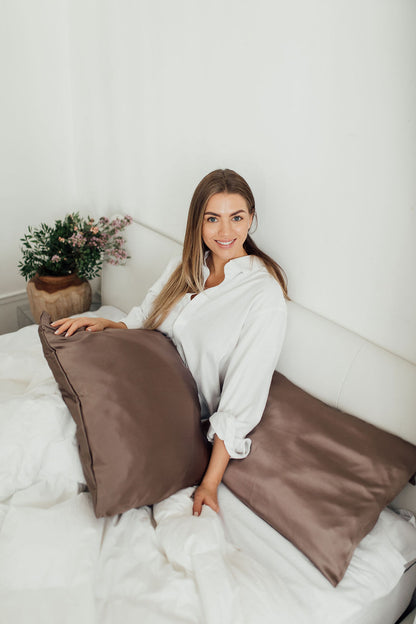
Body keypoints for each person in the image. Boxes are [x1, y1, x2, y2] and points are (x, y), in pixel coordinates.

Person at [51, 168, 289, 517]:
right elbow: (144, 317)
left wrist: (210, 483)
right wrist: (104, 322)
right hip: (137, 373)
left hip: (174, 409)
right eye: (213, 219)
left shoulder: (263, 295)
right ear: (198, 222)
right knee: (54, 410)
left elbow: (242, 399)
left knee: (66, 446)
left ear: (251, 219)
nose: (225, 232)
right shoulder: (185, 262)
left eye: (236, 218)